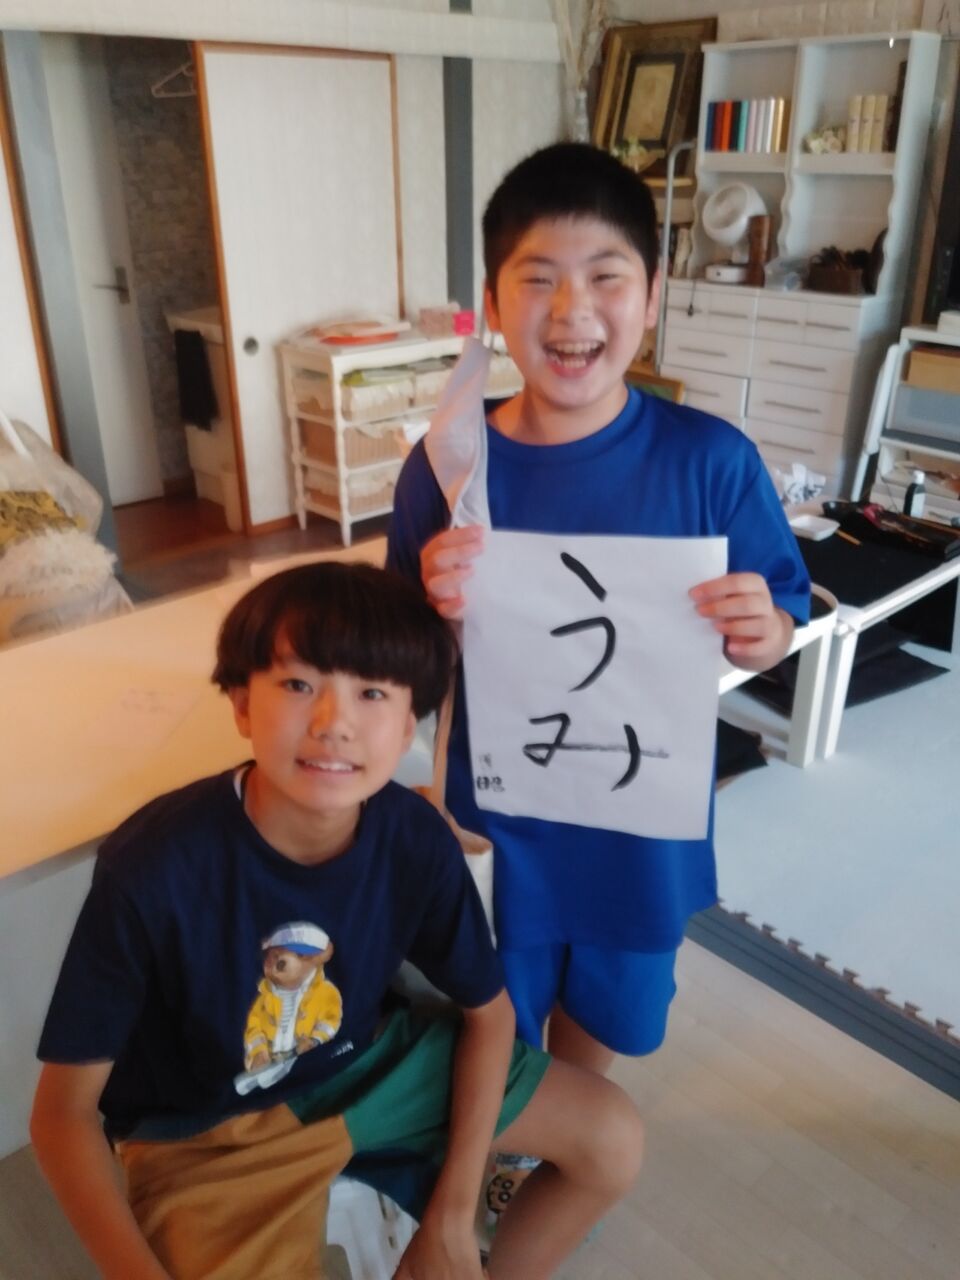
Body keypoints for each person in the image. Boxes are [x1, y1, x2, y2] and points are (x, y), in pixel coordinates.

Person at [30, 561, 644, 1280]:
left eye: (372, 692)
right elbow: (62, 1115)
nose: (333, 724)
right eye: (298, 685)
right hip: (208, 1132)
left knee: (612, 1138)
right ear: (241, 704)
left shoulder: (412, 836)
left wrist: (451, 1218)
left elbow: (490, 1013)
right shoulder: (155, 865)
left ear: (409, 723)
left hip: (368, 1067)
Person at [387, 142, 811, 1077]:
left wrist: (765, 631)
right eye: (538, 279)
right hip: (496, 830)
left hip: (639, 837)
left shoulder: (712, 462)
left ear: (652, 295)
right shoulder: (448, 466)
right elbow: (392, 672)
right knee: (492, 1039)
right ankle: (511, 1141)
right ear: (492, 304)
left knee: (596, 1051)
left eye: (606, 277)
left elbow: (780, 615)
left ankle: (563, 1138)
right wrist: (432, 613)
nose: (573, 310)